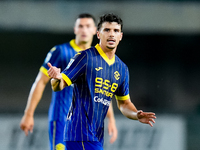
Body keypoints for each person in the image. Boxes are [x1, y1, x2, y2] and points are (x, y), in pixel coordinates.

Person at [47, 13, 156, 150]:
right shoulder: (85, 57)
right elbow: (59, 85)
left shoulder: (121, 69)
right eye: (107, 30)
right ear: (98, 34)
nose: (111, 34)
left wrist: (136, 115)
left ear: (120, 36)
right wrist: (56, 78)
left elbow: (124, 103)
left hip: (97, 136)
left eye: (115, 31)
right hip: (79, 133)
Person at [20, 13, 118, 150]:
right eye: (80, 26)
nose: (84, 30)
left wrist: (111, 119)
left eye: (88, 26)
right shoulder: (60, 52)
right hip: (62, 120)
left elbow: (102, 92)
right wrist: (28, 114)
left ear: (95, 31)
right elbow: (40, 82)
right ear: (75, 29)